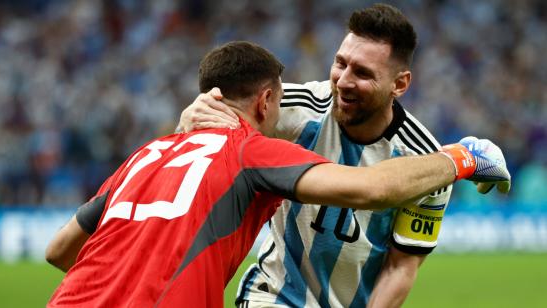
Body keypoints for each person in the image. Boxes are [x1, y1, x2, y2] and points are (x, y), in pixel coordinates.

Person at [45, 41, 508, 307]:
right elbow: (375, 187)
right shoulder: (252, 153)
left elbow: (60, 251)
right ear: (267, 102)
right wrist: (463, 158)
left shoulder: (145, 154)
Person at [177, 4, 508, 308]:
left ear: (400, 84)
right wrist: (191, 120)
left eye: (362, 73)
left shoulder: (425, 163)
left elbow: (400, 268)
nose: (343, 81)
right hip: (272, 296)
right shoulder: (292, 109)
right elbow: (208, 129)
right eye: (340, 63)